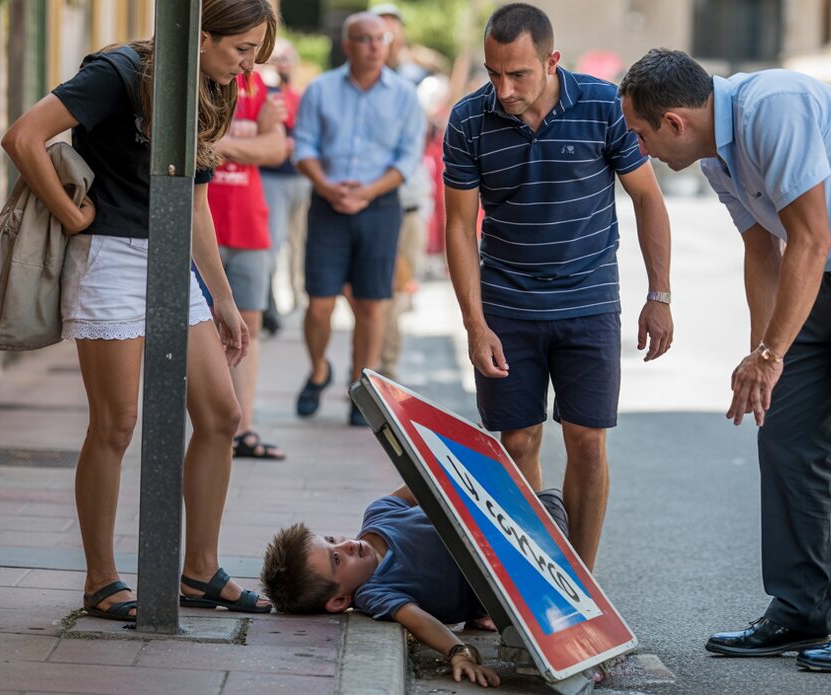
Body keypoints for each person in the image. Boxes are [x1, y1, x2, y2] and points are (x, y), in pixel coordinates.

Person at [618, 49, 831, 672]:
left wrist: (771, 353)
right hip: (827, 274)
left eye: (641, 135)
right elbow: (763, 251)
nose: (640, 150)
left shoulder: (771, 109)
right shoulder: (715, 156)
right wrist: (762, 357)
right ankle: (799, 609)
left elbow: (810, 236)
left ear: (674, 122)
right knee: (785, 434)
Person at [2, 0, 278, 621]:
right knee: (116, 423)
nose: (247, 68)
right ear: (200, 35)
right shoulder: (118, 72)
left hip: (172, 257)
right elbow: (22, 136)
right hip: (109, 257)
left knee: (221, 414)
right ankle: (100, 580)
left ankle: (199, 571)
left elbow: (196, 205)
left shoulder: (215, 87)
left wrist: (224, 299)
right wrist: (73, 215)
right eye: (242, 50)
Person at [442, 3, 672, 571]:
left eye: (518, 74)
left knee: (587, 442)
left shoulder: (602, 104)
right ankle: (532, 579)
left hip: (589, 302)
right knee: (517, 442)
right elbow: (459, 228)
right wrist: (475, 325)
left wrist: (659, 295)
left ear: (552, 61)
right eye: (494, 73)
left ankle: (581, 583)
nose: (504, 89)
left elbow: (647, 197)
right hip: (507, 305)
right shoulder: (468, 119)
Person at [261, 486, 569, 688]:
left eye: (331, 541)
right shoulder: (374, 592)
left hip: (499, 525)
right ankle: (570, 609)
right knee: (551, 528)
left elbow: (421, 476)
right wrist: (458, 651)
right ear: (339, 601)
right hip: (506, 577)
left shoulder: (379, 514)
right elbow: (417, 620)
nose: (346, 545)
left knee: (549, 501)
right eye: (337, 559)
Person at [292, 11, 426, 427]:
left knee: (372, 303)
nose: (373, 46)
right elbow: (303, 146)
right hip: (327, 205)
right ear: (348, 45)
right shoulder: (320, 89)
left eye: (380, 39)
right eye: (364, 39)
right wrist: (328, 186)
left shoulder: (405, 95)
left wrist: (366, 192)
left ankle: (359, 388)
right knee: (319, 303)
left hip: (380, 207)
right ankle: (319, 370)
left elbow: (408, 158)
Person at [209, 69, 290, 460]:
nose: (247, 57)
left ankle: (244, 430)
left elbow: (276, 151)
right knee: (202, 330)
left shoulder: (256, 85)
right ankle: (212, 428)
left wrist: (219, 143)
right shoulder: (199, 80)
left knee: (248, 330)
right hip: (202, 225)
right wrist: (253, 139)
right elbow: (190, 145)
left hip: (249, 224)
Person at [371, 2, 435, 380]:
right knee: (373, 289)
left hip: (409, 202)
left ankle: (385, 365)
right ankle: (374, 364)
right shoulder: (359, 79)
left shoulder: (416, 79)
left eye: (392, 29)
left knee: (398, 287)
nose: (386, 38)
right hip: (372, 203)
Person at [257, 38, 311, 335]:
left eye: (288, 58)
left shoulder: (297, 94)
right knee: (274, 240)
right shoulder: (265, 92)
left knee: (299, 240)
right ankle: (270, 302)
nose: (283, 64)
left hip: (299, 176)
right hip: (273, 176)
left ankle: (298, 296)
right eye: (279, 59)